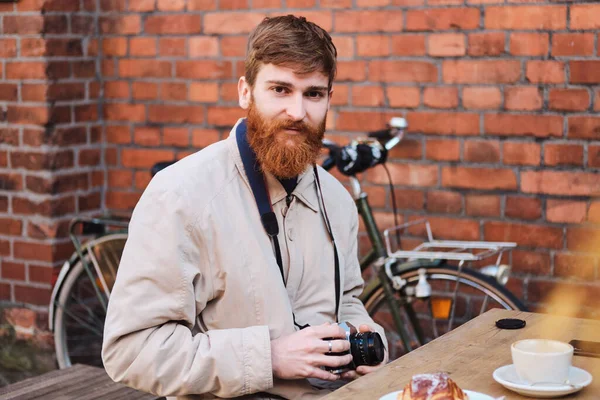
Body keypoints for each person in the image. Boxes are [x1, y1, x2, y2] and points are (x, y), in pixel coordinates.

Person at [102, 15, 387, 400]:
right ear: (245, 92)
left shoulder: (336, 200)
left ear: (328, 99)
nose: (297, 112)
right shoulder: (179, 196)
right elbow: (129, 351)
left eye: (313, 94)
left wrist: (362, 336)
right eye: (280, 89)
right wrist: (268, 357)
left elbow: (348, 299)